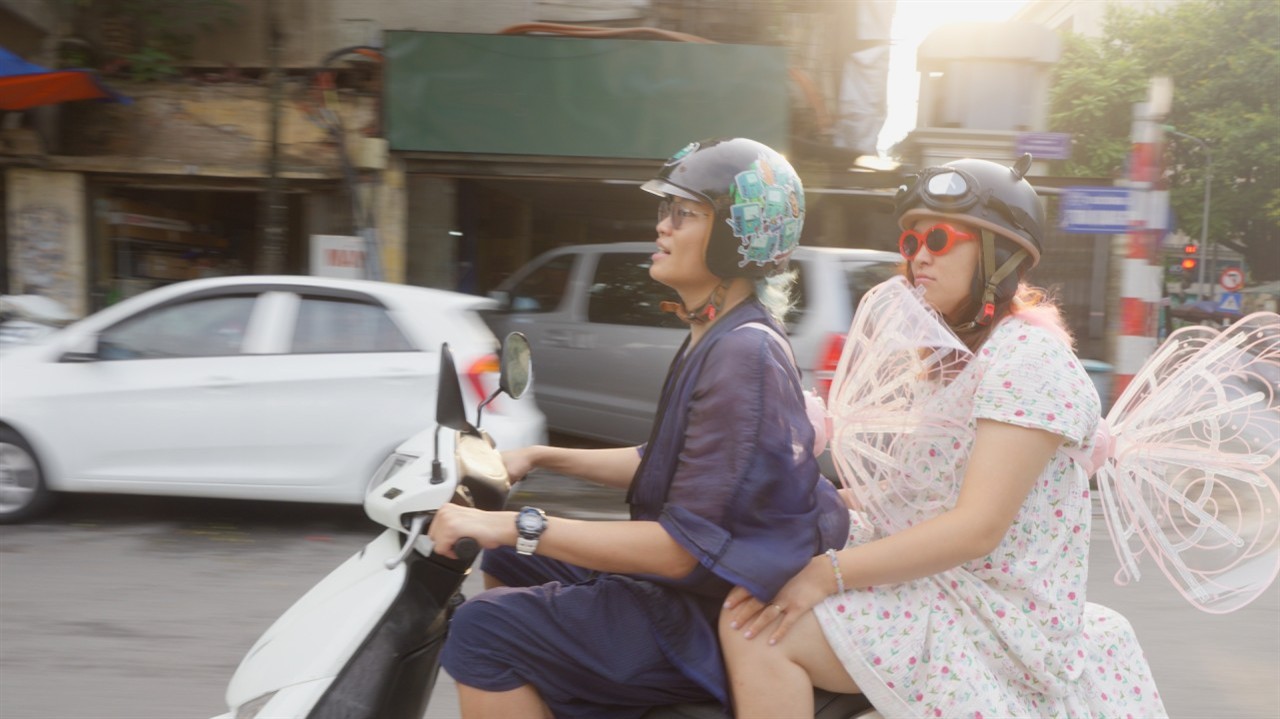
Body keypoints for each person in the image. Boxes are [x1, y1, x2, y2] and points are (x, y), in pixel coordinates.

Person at [720, 155, 1169, 718]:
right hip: (942, 583)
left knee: (757, 632)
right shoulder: (951, 363)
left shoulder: (1029, 361)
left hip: (991, 613)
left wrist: (825, 575)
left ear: (998, 257)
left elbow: (976, 528)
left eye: (939, 239)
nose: (920, 257)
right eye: (911, 242)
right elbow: (919, 497)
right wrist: (804, 498)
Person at [427, 137, 851, 719]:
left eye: (684, 214)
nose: (662, 227)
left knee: (484, 629)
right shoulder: (716, 332)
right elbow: (666, 462)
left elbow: (680, 553)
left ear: (736, 237)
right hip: (696, 585)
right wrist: (541, 457)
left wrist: (513, 524)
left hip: (706, 609)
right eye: (664, 210)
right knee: (510, 561)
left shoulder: (742, 354)